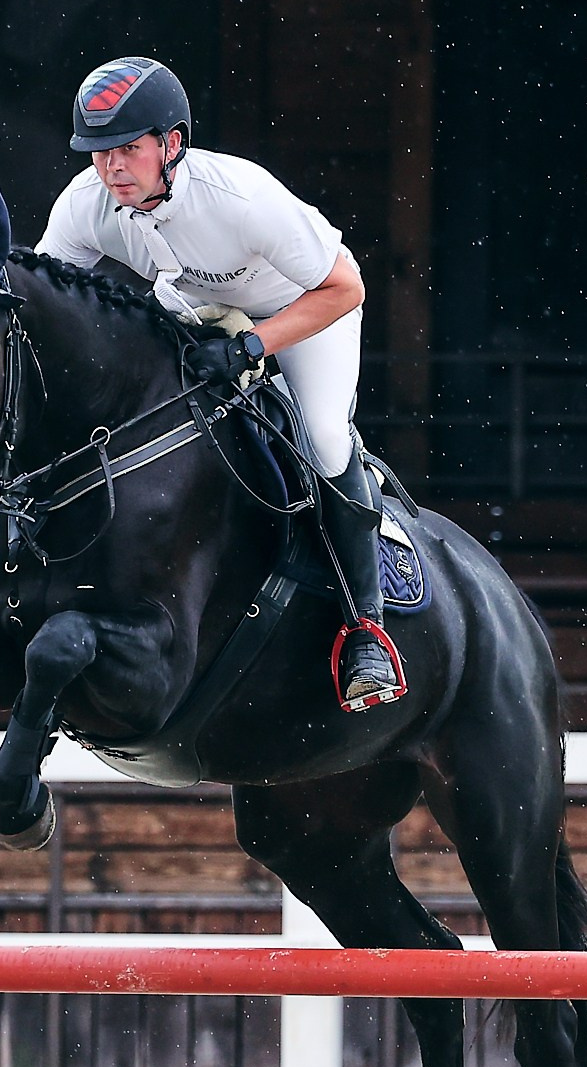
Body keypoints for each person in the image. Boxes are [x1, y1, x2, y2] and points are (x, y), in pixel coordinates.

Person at [33, 56, 403, 711]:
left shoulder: (241, 198)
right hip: (200, 314)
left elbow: (346, 287)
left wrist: (255, 346)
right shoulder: (85, 206)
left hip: (307, 309)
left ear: (171, 143)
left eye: (126, 150)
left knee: (322, 437)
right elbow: (44, 303)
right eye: (98, 153)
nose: (109, 168)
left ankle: (364, 627)